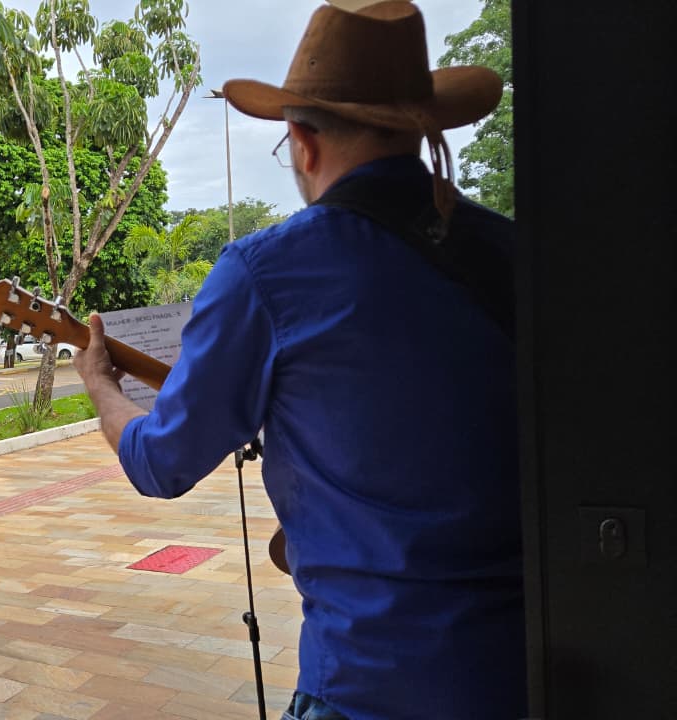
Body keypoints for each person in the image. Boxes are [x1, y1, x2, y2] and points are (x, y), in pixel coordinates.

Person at [73, 4, 523, 720]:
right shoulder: (513, 252)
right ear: (418, 132)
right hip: (530, 666)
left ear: (303, 142)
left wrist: (102, 387)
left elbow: (162, 462)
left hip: (369, 682)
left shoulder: (267, 271)